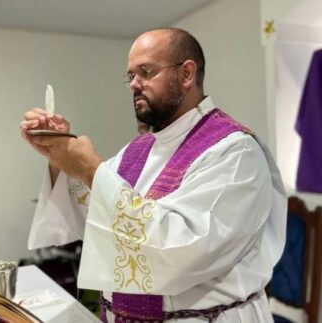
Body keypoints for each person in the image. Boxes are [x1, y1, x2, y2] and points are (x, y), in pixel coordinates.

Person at [20, 28, 287, 322]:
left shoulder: (234, 152)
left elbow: (182, 251)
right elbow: (96, 218)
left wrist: (91, 170)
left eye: (145, 72)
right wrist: (60, 158)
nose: (134, 84)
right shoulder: (139, 149)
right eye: (131, 75)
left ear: (186, 74)